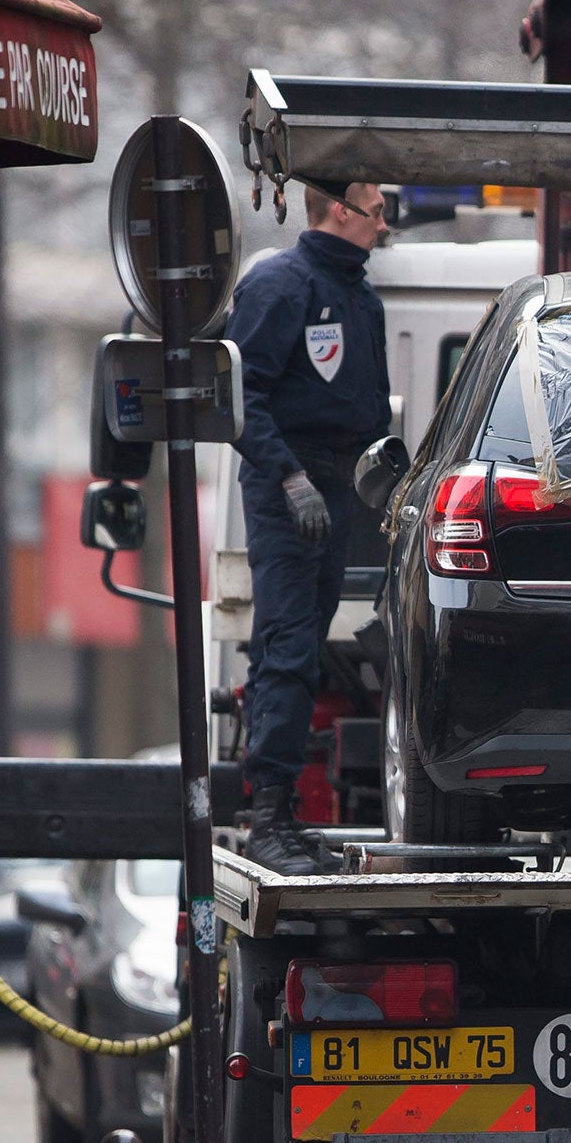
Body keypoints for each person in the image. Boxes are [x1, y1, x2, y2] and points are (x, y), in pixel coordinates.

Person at [228, 181, 391, 875]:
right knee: (288, 648)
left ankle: (286, 818)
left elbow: (372, 412)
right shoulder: (280, 284)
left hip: (339, 488)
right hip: (285, 488)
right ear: (340, 211)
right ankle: (268, 819)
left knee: (307, 649)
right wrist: (291, 479)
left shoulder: (361, 296)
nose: (385, 225)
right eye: (377, 212)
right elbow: (237, 395)